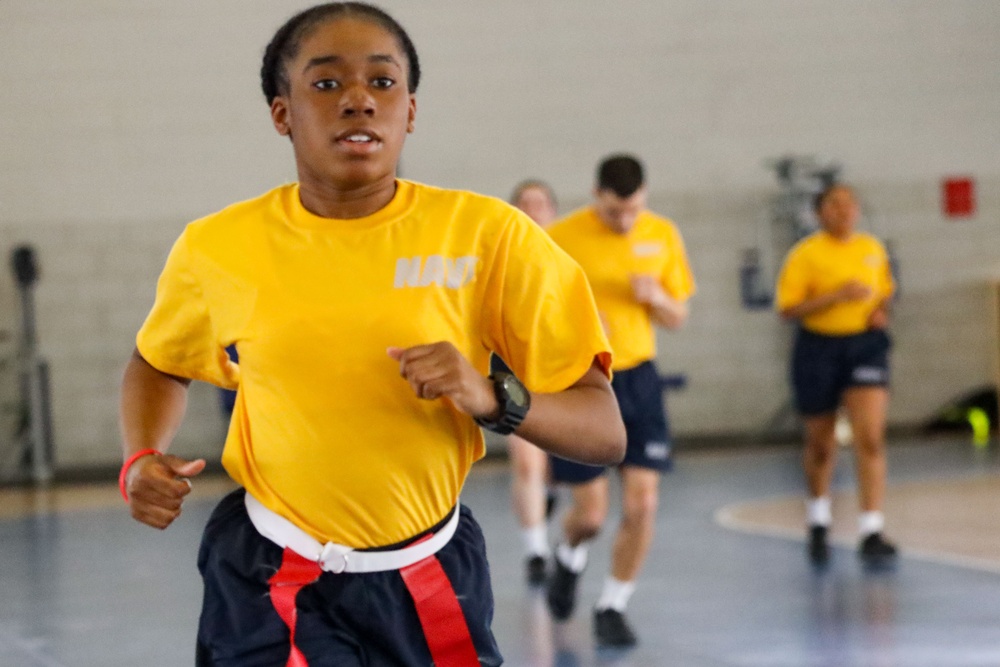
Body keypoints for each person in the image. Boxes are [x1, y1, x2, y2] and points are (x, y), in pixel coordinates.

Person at [117, 4, 626, 666]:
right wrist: (140, 456)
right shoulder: (218, 247)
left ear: (409, 111)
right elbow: (158, 362)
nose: (358, 99)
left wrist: (491, 395)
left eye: (382, 82)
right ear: (282, 113)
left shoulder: (489, 236)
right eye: (326, 83)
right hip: (268, 576)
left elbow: (605, 432)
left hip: (430, 576)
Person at [544, 154, 695, 648]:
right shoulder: (562, 238)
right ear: (597, 195)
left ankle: (613, 604)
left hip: (640, 379)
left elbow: (678, 317)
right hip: (583, 380)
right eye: (615, 212)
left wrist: (657, 299)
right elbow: (535, 314)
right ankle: (568, 554)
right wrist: (578, 325)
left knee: (643, 502)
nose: (626, 221)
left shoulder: (662, 234)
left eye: (634, 210)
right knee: (590, 516)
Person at [775, 183, 898, 568]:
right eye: (834, 205)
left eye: (849, 204)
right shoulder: (805, 254)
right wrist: (835, 296)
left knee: (870, 437)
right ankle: (818, 519)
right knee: (821, 443)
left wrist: (881, 311)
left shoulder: (871, 248)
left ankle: (871, 528)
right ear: (819, 212)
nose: (844, 211)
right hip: (818, 347)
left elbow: (885, 292)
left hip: (864, 345)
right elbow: (787, 309)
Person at [501, 179, 560, 585]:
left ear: (552, 211)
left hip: (560, 369)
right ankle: (536, 551)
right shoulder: (501, 255)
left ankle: (548, 495)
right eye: (524, 203)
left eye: (539, 204)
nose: (532, 210)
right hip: (516, 369)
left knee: (553, 463)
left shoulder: (570, 255)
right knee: (526, 460)